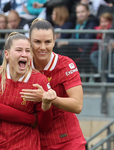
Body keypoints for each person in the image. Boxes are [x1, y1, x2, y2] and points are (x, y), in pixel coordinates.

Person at [0, 32, 57, 149]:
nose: (24, 54)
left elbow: (44, 126)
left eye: (27, 51)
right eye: (19, 50)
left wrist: (46, 105)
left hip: (25, 145)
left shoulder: (39, 80)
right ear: (7, 54)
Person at [19, 19, 86, 150]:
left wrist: (48, 97)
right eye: (37, 42)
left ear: (54, 41)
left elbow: (78, 105)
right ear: (29, 41)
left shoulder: (65, 64)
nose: (43, 47)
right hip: (36, 140)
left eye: (48, 42)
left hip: (68, 141)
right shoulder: (22, 65)